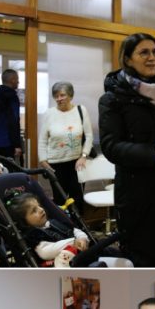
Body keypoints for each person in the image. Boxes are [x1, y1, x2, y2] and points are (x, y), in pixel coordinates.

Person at [99, 33, 155, 267]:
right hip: (138, 195)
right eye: (144, 52)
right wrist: (154, 156)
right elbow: (111, 146)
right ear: (128, 59)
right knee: (146, 261)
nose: (152, 57)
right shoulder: (112, 98)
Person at [6, 193, 126, 267]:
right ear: (24, 222)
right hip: (65, 265)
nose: (41, 210)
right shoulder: (33, 235)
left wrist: (82, 238)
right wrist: (72, 242)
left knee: (118, 256)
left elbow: (74, 230)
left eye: (39, 206)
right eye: (34, 211)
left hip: (85, 255)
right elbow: (45, 251)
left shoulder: (54, 222)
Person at [39, 81, 93, 212]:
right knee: (59, 200)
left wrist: (84, 155)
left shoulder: (80, 110)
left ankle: (79, 224)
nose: (59, 99)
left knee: (77, 199)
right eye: (56, 96)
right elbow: (42, 140)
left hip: (77, 163)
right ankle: (63, 224)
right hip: (55, 165)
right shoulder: (49, 114)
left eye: (62, 95)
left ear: (70, 96)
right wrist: (43, 161)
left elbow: (89, 135)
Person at [0, 69, 22, 161]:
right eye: (17, 79)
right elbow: (13, 121)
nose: (18, 82)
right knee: (10, 169)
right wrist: (17, 145)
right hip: (8, 143)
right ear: (12, 80)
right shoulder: (12, 97)